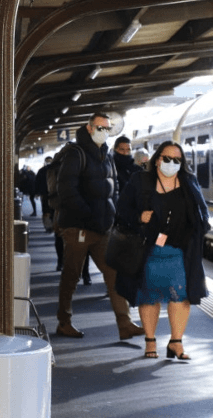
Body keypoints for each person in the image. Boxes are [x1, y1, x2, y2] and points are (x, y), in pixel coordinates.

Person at [54, 112, 145, 340]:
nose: (104, 132)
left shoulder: (106, 154)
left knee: (114, 273)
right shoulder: (76, 154)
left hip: (102, 228)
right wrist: (88, 215)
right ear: (89, 128)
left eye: (107, 128)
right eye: (100, 127)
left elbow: (112, 190)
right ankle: (64, 322)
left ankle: (125, 323)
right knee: (72, 275)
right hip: (79, 228)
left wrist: (111, 215)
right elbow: (67, 190)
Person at [115, 141, 209, 359]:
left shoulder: (188, 181)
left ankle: (176, 342)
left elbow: (202, 214)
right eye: (167, 158)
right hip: (146, 250)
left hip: (178, 251)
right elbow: (122, 208)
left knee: (181, 296)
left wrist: (194, 229)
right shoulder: (141, 181)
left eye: (177, 160)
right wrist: (138, 217)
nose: (172, 163)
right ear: (157, 159)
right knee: (148, 296)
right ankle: (150, 341)